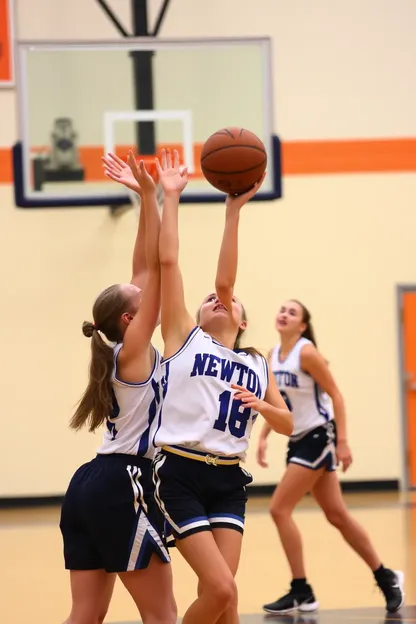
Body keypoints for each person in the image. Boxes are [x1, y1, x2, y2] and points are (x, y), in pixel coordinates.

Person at [151, 149, 294, 624]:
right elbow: (170, 264)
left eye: (226, 300)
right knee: (220, 587)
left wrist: (263, 406)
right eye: (209, 298)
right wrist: (182, 200)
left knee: (226, 598)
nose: (216, 298)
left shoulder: (256, 363)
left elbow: (289, 422)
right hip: (182, 472)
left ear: (242, 320)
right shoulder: (184, 338)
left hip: (229, 479)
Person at [59, 154, 176, 624]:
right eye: (141, 298)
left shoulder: (117, 346)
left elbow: (144, 266)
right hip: (124, 482)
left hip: (87, 484)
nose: (146, 290)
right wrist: (159, 199)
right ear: (131, 319)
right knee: (162, 614)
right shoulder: (132, 349)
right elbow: (160, 266)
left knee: (85, 615)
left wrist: (146, 197)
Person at [257, 299, 405, 615]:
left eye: (292, 312)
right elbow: (282, 402)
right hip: (297, 439)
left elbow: (335, 395)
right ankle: (386, 576)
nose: (284, 314)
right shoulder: (272, 356)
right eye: (282, 309)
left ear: (303, 325)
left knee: (278, 508)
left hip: (318, 436)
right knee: (337, 514)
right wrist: (265, 435)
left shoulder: (307, 353)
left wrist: (343, 442)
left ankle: (301, 589)